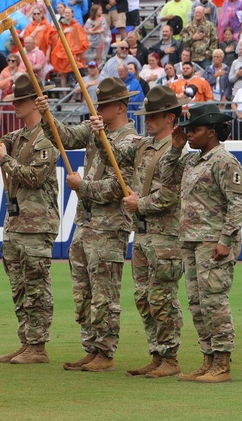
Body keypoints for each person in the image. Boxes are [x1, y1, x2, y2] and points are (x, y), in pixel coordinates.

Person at [37, 79, 139, 373]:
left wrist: (83, 187)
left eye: (103, 105)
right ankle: (91, 346)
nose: (98, 109)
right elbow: (64, 136)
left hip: (110, 225)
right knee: (84, 291)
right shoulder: (97, 132)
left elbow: (119, 186)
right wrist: (47, 115)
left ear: (119, 108)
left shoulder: (131, 141)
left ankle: (105, 352)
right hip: (86, 222)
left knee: (105, 293)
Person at [97, 85, 189, 378]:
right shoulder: (141, 144)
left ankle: (170, 357)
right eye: (148, 114)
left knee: (162, 298)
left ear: (170, 118)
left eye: (156, 115)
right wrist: (101, 133)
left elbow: (172, 195)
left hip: (166, 234)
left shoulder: (179, 152)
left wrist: (141, 203)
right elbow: (111, 153)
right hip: (144, 234)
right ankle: (157, 353)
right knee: (143, 297)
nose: (149, 120)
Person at [0, 74, 60, 364]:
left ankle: (38, 346)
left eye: (20, 101)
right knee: (19, 285)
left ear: (34, 103)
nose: (15, 105)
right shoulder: (19, 137)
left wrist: (6, 160)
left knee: (36, 285)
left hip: (37, 223)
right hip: (16, 222)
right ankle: (26, 341)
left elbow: (36, 177)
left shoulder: (46, 137)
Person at [168, 103, 242, 383]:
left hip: (212, 241)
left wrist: (226, 239)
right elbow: (167, 174)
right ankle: (208, 358)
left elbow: (238, 204)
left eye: (196, 129)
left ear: (211, 132)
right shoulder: (191, 160)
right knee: (197, 302)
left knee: (214, 301)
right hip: (190, 240)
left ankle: (222, 363)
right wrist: (176, 147)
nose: (189, 134)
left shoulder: (224, 161)